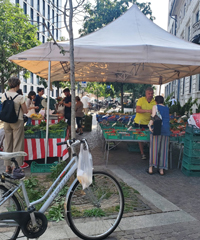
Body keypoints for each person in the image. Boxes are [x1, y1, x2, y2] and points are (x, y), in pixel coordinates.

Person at [1, 77, 28, 173]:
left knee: (8, 144)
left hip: (6, 122)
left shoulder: (3, 95)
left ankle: (7, 166)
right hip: (17, 121)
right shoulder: (20, 97)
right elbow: (25, 111)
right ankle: (15, 167)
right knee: (18, 144)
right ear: (18, 85)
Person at [147, 95, 170, 175]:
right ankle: (161, 170)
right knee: (163, 150)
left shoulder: (155, 106)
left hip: (157, 129)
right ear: (163, 101)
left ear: (156, 101)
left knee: (154, 149)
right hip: (166, 130)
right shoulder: (167, 108)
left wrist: (150, 126)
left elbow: (153, 117)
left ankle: (151, 168)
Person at [134, 87, 156, 160]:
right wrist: (148, 111)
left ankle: (150, 152)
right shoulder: (141, 100)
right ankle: (142, 153)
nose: (150, 95)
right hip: (139, 122)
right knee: (140, 138)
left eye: (151, 93)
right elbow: (137, 110)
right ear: (145, 94)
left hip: (149, 123)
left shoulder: (154, 102)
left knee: (150, 137)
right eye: (149, 93)